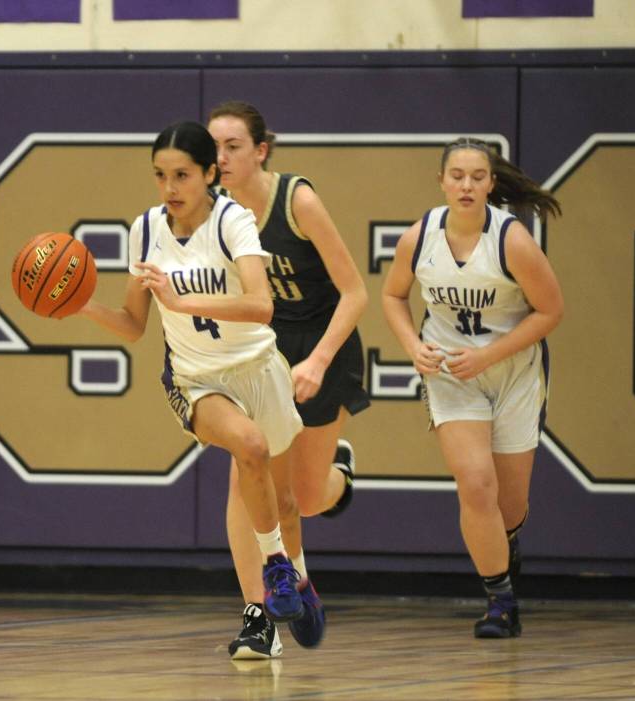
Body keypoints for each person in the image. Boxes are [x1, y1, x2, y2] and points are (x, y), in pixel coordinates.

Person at [78, 120, 308, 626]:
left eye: (182, 175)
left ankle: (301, 579)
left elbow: (261, 305)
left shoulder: (234, 221)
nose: (169, 188)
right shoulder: (146, 230)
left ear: (210, 174)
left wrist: (182, 300)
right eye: (160, 176)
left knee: (287, 502)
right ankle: (273, 574)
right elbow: (134, 325)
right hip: (197, 380)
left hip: (259, 367)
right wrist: (80, 305)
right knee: (248, 446)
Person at [381, 137, 564, 638]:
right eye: (457, 175)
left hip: (512, 371)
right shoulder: (420, 238)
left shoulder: (512, 242)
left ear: (491, 183)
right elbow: (394, 295)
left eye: (477, 176)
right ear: (441, 181)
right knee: (475, 482)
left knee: (510, 506)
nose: (466, 185)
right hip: (448, 373)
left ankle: (505, 542)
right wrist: (412, 345)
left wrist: (486, 355)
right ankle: (500, 601)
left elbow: (551, 311)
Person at [207, 101, 370, 659]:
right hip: (264, 354)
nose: (221, 157)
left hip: (323, 346)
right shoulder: (214, 212)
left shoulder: (297, 200)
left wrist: (320, 360)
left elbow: (355, 292)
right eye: (215, 147)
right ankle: (262, 619)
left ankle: (339, 479)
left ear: (260, 150)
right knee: (252, 481)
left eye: (232, 146)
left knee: (302, 496)